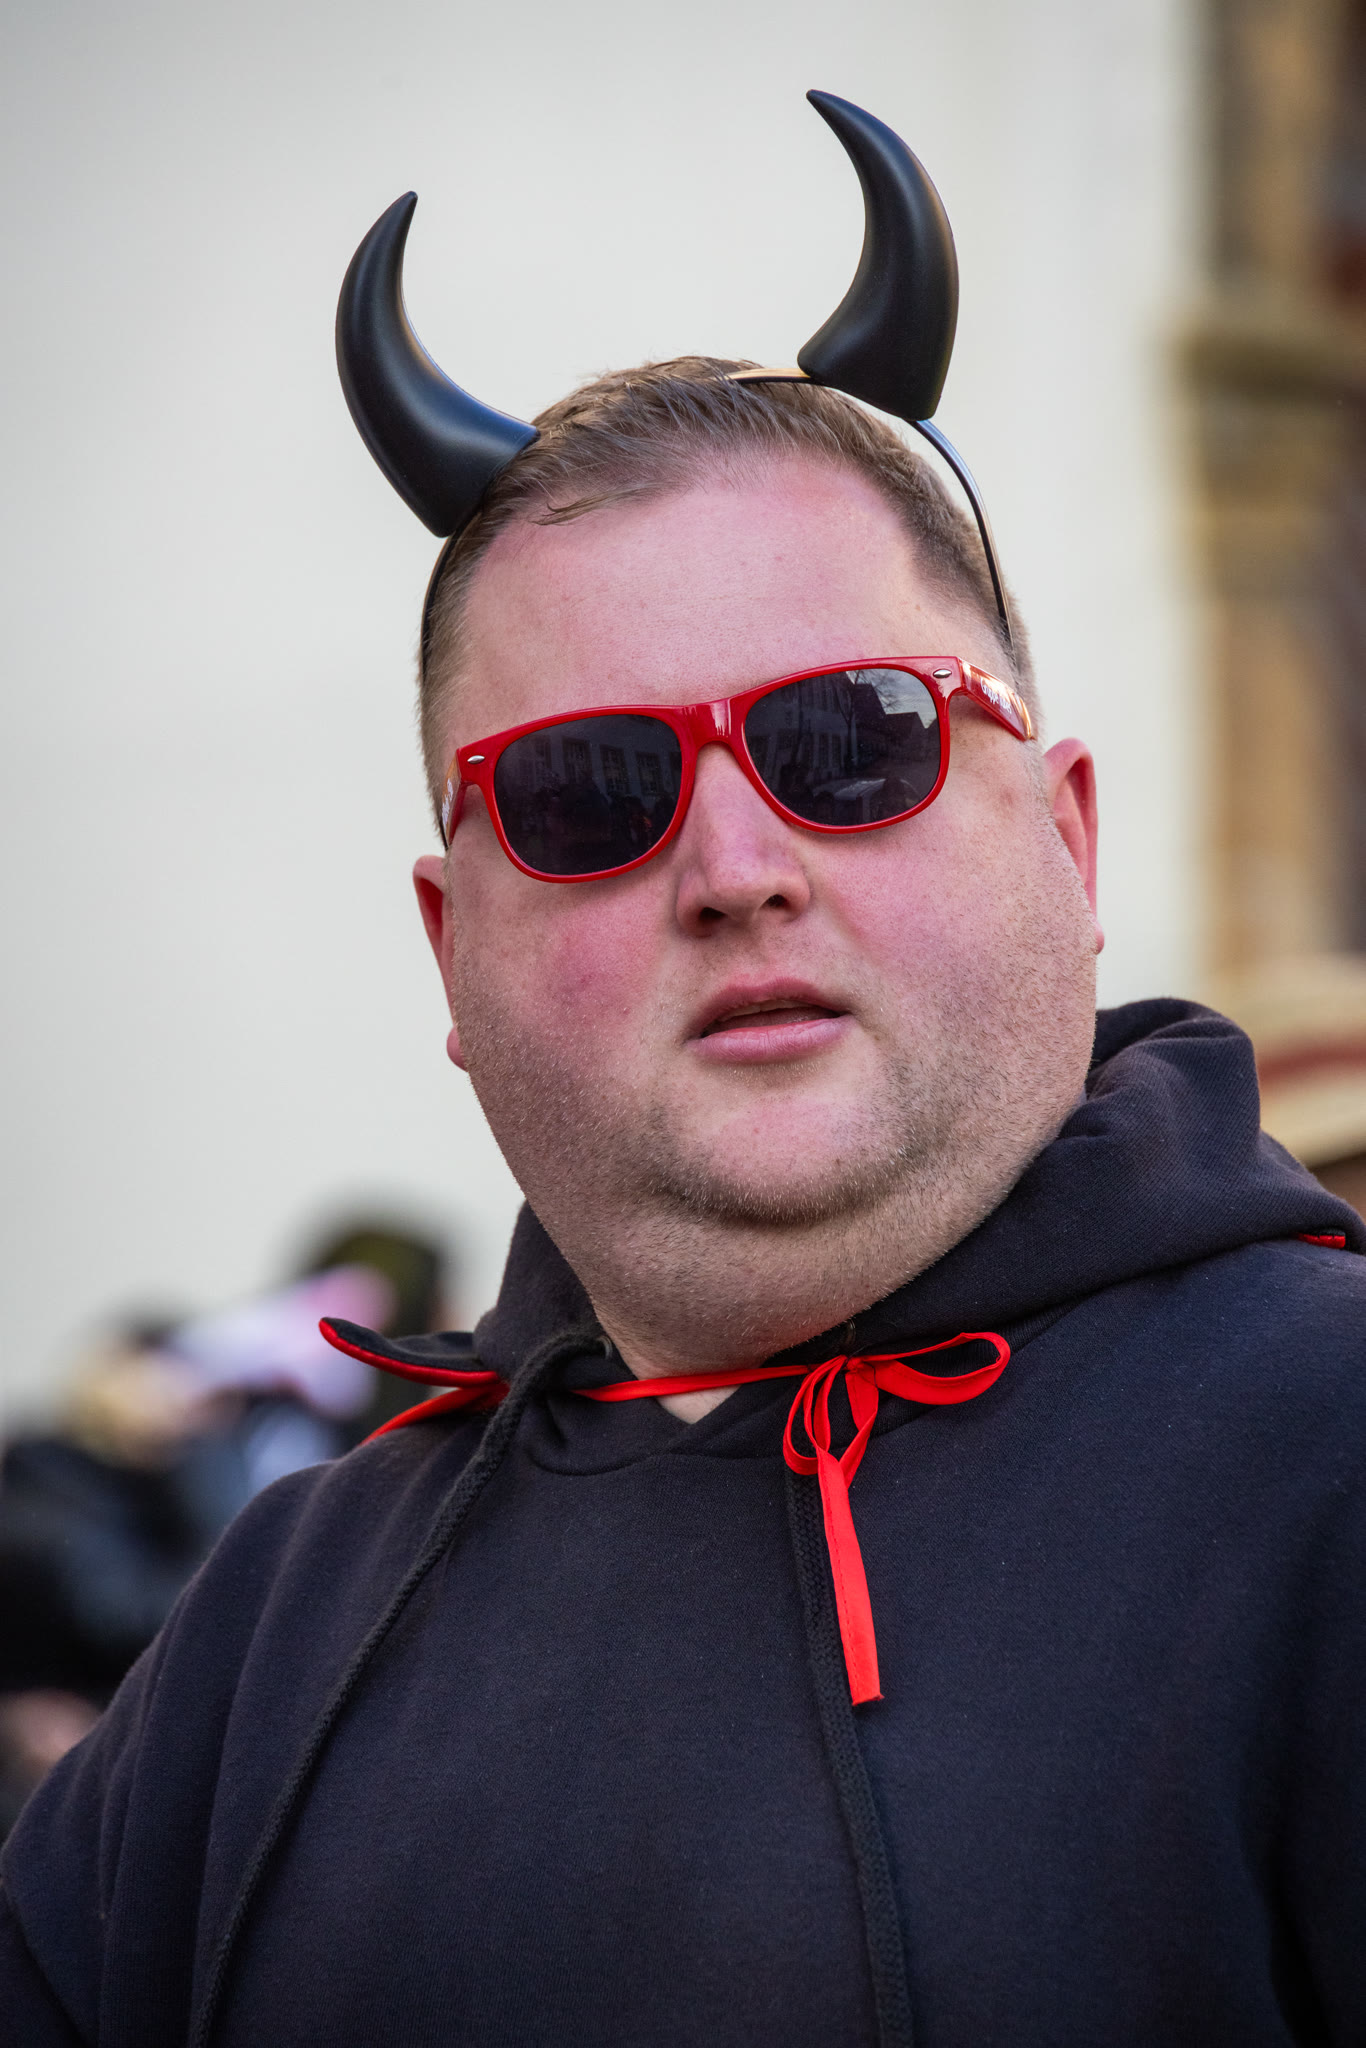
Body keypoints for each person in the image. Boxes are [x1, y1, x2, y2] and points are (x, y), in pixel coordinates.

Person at [3, 95, 1364, 2048]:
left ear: (1065, 839)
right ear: (447, 947)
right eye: (586, 792)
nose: (735, 866)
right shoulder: (271, 1624)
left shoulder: (1327, 1462)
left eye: (852, 740)